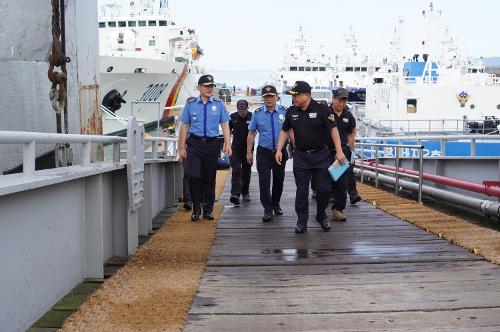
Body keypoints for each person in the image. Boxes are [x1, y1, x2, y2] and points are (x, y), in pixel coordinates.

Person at [275, 81, 346, 234]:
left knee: (324, 189)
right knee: (301, 191)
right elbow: (284, 131)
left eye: (296, 95)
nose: (293, 98)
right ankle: (302, 221)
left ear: (306, 95)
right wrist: (279, 149)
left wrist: (339, 151)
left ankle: (321, 216)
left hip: (320, 155)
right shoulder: (291, 111)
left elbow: (334, 130)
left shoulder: (322, 110)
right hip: (301, 156)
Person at [178, 74, 232, 222]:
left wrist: (228, 143)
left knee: (209, 177)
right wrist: (181, 148)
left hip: (211, 144)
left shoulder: (218, 104)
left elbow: (225, 124)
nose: (209, 89)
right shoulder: (191, 104)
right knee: (194, 176)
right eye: (206, 86)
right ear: (199, 87)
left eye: (211, 87)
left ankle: (208, 210)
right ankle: (196, 209)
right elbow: (185, 127)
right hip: (194, 144)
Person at [247, 85, 288, 222]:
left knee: (279, 179)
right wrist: (249, 152)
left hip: (280, 152)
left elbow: (291, 131)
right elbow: (252, 133)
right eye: (266, 97)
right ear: (263, 98)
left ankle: (276, 204)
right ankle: (267, 209)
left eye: (271, 96)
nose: (269, 99)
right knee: (263, 181)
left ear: (276, 97)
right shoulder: (257, 113)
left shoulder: (285, 112)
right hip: (264, 152)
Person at [330, 88, 360, 222]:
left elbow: (351, 131)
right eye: (339, 100)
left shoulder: (348, 116)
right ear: (333, 99)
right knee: (324, 183)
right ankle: (321, 208)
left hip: (342, 153)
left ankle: (338, 209)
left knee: (341, 182)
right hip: (326, 152)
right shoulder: (326, 113)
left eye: (344, 100)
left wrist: (351, 147)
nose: (341, 103)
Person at [229, 99, 253, 205]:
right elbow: (227, 131)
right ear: (237, 108)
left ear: (247, 108)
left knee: (246, 172)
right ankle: (235, 194)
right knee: (236, 171)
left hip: (248, 149)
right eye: (239, 108)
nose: (241, 111)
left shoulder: (252, 117)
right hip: (236, 149)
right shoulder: (232, 117)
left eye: (243, 108)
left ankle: (245, 192)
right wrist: (226, 145)